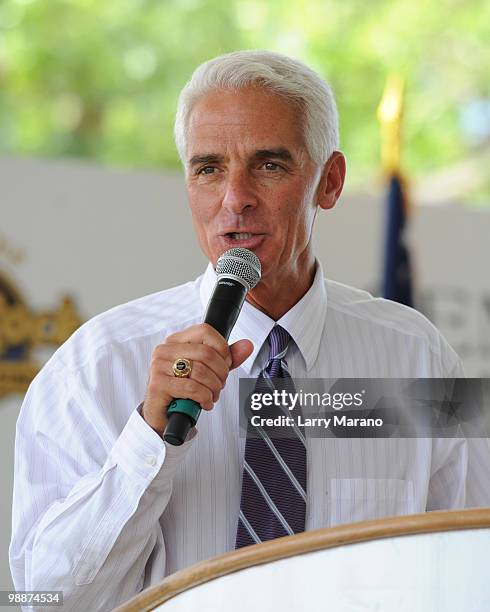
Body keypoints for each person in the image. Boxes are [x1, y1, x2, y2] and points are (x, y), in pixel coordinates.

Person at [9, 50, 488, 611]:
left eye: (269, 164)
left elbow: (470, 565)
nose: (235, 198)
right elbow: (45, 601)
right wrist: (148, 438)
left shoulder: (417, 354)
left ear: (329, 183)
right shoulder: (97, 364)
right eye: (208, 167)